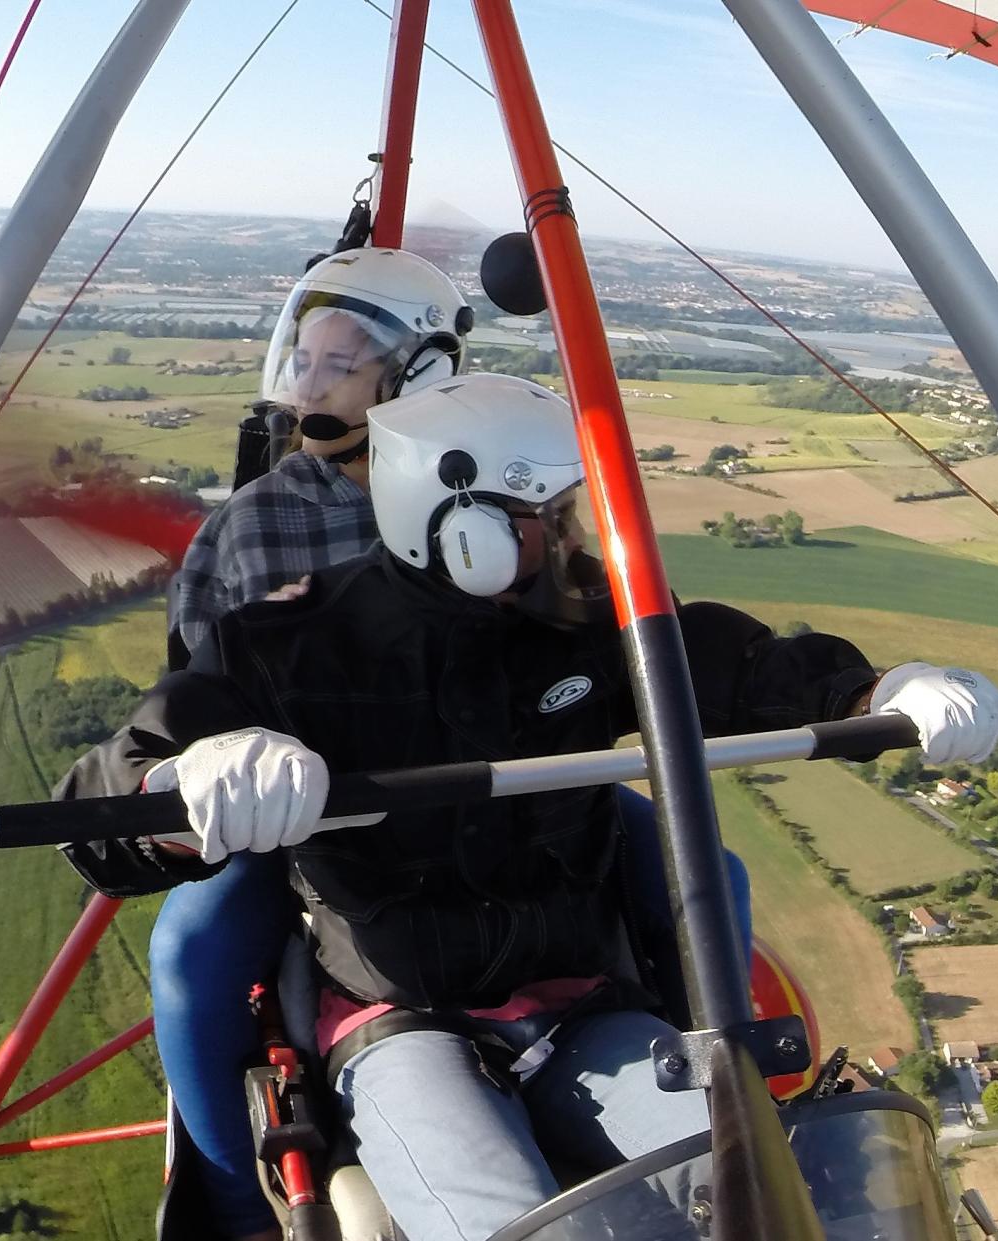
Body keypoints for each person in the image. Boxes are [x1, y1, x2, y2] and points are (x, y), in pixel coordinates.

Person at [60, 373, 998, 1240]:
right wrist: (188, 778)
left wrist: (869, 692)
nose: (569, 535)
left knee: (772, 1195)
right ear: (459, 521)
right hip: (404, 1022)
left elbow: (726, 668)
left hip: (586, 1006)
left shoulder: (583, 616)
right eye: (549, 514)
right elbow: (108, 801)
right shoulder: (285, 643)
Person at [146, 248, 753, 1239]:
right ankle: (226, 1193)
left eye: (339, 358)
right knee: (193, 940)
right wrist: (219, 757)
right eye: (306, 354)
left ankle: (716, 1048)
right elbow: (202, 680)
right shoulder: (257, 526)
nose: (311, 380)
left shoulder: (493, 474)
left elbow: (582, 615)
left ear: (419, 371)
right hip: (328, 814)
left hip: (496, 786)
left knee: (706, 868)